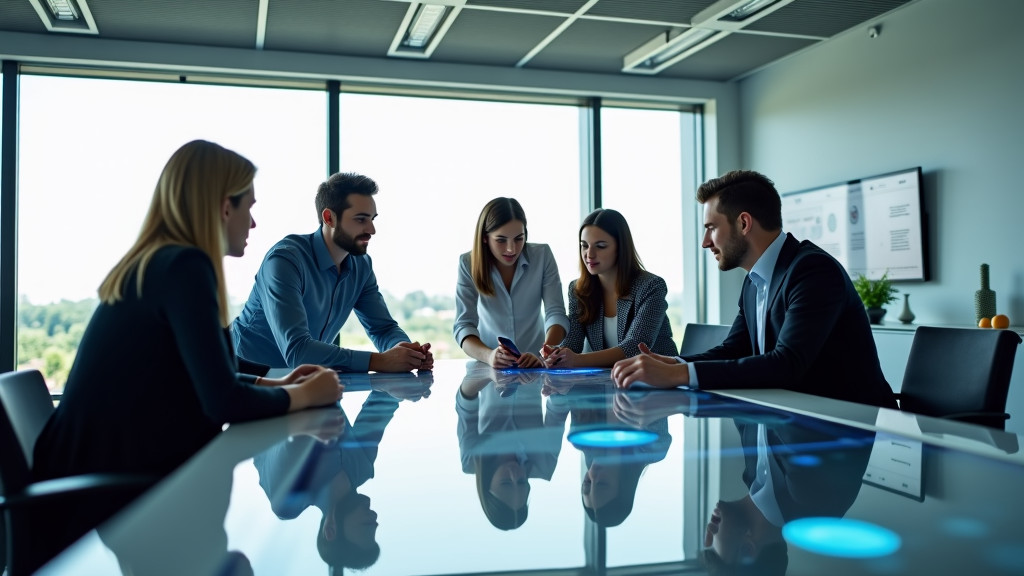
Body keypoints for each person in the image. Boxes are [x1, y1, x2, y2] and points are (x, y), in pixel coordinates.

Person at [29, 140, 344, 571]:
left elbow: (212, 367)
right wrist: (307, 396)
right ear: (221, 207)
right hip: (109, 499)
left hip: (106, 479)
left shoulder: (161, 262)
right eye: (248, 207)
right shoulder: (184, 268)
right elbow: (222, 400)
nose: (253, 222)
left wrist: (279, 384)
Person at [611, 170, 898, 410]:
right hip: (789, 420)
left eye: (711, 227)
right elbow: (734, 348)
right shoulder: (754, 281)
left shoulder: (812, 271)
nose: (705, 242)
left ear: (744, 223)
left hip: (846, 429)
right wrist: (673, 362)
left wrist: (679, 373)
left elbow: (787, 364)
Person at [231, 172, 433, 373]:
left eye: (372, 219)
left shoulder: (361, 264)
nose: (372, 230)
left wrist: (408, 354)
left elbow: (383, 329)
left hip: (303, 382)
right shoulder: (285, 261)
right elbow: (298, 351)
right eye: (361, 220)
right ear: (329, 218)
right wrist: (379, 361)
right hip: (244, 380)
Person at [542, 208, 677, 368]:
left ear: (620, 248)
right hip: (612, 382)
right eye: (584, 246)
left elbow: (635, 347)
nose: (589, 254)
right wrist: (555, 354)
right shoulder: (578, 290)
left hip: (660, 379)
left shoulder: (651, 286)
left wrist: (577, 360)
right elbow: (573, 343)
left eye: (600, 246)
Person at [454, 197, 568, 369]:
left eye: (518, 238)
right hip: (491, 370)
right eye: (501, 240)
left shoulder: (542, 256)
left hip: (535, 368)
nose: (511, 249)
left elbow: (556, 313)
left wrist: (543, 353)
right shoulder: (467, 264)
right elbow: (464, 325)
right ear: (485, 238)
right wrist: (489, 355)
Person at [456, 364, 568, 530]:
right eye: (522, 482)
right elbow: (557, 412)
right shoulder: (544, 464)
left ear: (488, 486)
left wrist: (490, 372)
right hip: (534, 360)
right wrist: (553, 382)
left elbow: (465, 401)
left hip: (490, 356)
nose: (515, 475)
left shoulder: (472, 460)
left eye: (506, 483)